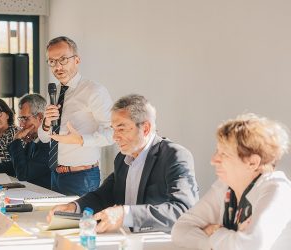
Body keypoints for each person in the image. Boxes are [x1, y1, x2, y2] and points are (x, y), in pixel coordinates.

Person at [48, 94, 199, 233]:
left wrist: (126, 214)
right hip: (125, 239)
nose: (115, 137)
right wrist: (75, 207)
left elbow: (183, 209)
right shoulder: (122, 158)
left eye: (121, 129)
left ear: (145, 129)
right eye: (113, 129)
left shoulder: (175, 156)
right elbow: (104, 195)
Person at [172, 113, 291, 250]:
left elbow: (250, 246)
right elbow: (180, 229)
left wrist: (215, 232)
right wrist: (211, 245)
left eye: (224, 154)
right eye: (217, 151)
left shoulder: (278, 190)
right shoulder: (224, 187)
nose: (213, 160)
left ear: (252, 163)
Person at [38, 36, 114, 196]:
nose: (57, 66)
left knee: (80, 222)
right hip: (55, 175)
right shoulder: (54, 91)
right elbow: (45, 138)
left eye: (63, 59)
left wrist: (81, 140)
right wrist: (46, 123)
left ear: (77, 60)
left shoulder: (94, 91)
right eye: (52, 61)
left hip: (82, 177)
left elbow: (114, 133)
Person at [0, 94, 51, 189]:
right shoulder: (33, 139)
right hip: (32, 191)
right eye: (20, 119)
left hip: (46, 196)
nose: (21, 124)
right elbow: (13, 166)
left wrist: (16, 141)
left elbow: (23, 174)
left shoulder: (49, 142)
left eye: (25, 119)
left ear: (39, 117)